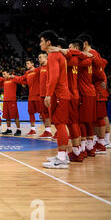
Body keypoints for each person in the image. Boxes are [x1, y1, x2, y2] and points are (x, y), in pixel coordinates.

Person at [39, 31, 71, 169]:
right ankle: (63, 155)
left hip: (59, 94)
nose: (40, 44)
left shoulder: (53, 55)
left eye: (41, 41)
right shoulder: (59, 55)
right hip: (62, 94)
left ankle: (62, 158)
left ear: (48, 42)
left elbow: (54, 78)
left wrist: (48, 94)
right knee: (59, 124)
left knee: (60, 124)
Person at [80, 34, 109, 153]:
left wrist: (104, 80)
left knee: (100, 118)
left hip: (98, 90)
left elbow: (101, 66)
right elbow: (104, 63)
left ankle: (102, 143)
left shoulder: (92, 53)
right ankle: (101, 140)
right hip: (96, 88)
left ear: (85, 43)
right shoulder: (92, 53)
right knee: (99, 117)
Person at [11, 59, 41, 136]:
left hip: (39, 95)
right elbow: (21, 79)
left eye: (28, 63)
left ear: (32, 64)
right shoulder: (27, 73)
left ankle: (48, 130)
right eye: (26, 63)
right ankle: (33, 129)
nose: (27, 65)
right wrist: (13, 77)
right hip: (31, 95)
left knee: (43, 113)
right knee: (30, 112)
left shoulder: (38, 70)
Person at [37, 53, 53, 138]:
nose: (39, 59)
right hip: (42, 94)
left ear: (46, 57)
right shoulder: (41, 68)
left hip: (49, 94)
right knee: (45, 113)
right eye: (38, 57)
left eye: (40, 57)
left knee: (53, 114)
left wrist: (49, 93)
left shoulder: (50, 67)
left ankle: (59, 131)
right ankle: (48, 131)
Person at [1, 71, 21, 136]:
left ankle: (18, 130)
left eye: (4, 74)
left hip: (12, 100)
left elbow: (21, 80)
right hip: (5, 100)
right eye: (3, 74)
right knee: (7, 116)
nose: (3, 75)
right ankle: (9, 129)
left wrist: (14, 76)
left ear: (8, 73)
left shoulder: (13, 79)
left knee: (15, 116)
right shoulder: (4, 81)